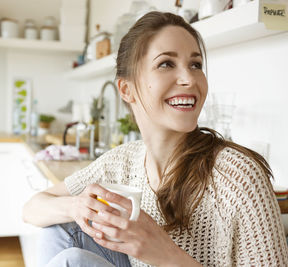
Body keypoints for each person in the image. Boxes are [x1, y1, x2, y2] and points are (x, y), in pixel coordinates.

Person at [23, 11, 288, 267]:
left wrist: (167, 255)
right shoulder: (121, 162)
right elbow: (32, 208)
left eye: (195, 65)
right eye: (166, 64)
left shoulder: (238, 176)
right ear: (126, 89)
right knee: (59, 229)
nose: (189, 79)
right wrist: (77, 206)